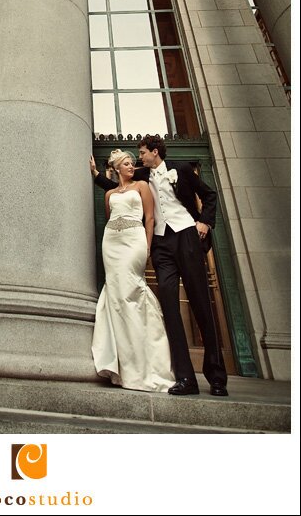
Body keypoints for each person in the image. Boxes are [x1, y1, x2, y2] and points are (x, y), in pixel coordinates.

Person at [91, 135, 228, 397]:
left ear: (155, 152)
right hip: (162, 245)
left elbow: (209, 195)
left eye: (142, 152)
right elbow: (119, 187)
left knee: (201, 305)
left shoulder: (182, 169)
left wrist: (204, 222)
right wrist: (97, 175)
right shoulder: (140, 175)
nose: (139, 157)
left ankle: (217, 377)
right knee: (169, 306)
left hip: (187, 235)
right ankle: (185, 377)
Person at [91, 149, 175, 392]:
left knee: (133, 291)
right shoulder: (109, 193)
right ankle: (120, 362)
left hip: (135, 241)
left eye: (132, 163)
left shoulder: (142, 186)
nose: (131, 166)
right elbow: (109, 219)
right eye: (127, 164)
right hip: (112, 242)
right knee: (117, 296)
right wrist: (95, 173)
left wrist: (147, 247)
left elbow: (149, 218)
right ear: (117, 168)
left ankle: (147, 361)